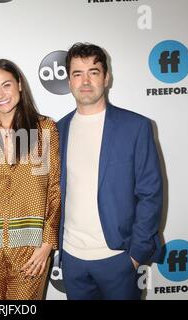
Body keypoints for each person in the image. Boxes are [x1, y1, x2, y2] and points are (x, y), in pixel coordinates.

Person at [57, 43, 163, 300]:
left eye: (93, 72)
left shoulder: (136, 127)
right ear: (69, 81)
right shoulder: (57, 131)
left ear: (106, 77)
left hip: (119, 259)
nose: (85, 80)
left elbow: (150, 193)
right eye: (77, 73)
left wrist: (136, 255)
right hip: (72, 260)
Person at [0, 59, 61, 300]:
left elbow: (55, 188)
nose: (0, 95)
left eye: (6, 85)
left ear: (19, 85)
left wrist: (47, 243)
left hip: (31, 250)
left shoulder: (45, 129)